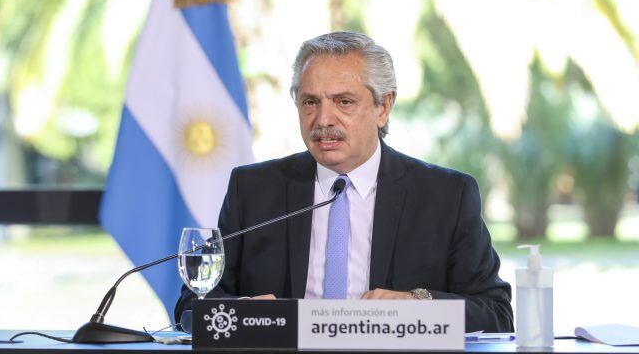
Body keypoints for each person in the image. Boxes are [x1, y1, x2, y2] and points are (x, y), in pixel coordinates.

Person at [175, 31, 513, 333]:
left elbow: (495, 313)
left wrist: (419, 304)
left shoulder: (445, 197)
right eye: (310, 102)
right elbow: (191, 305)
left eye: (344, 102)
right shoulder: (253, 189)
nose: (323, 120)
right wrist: (237, 313)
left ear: (384, 107)